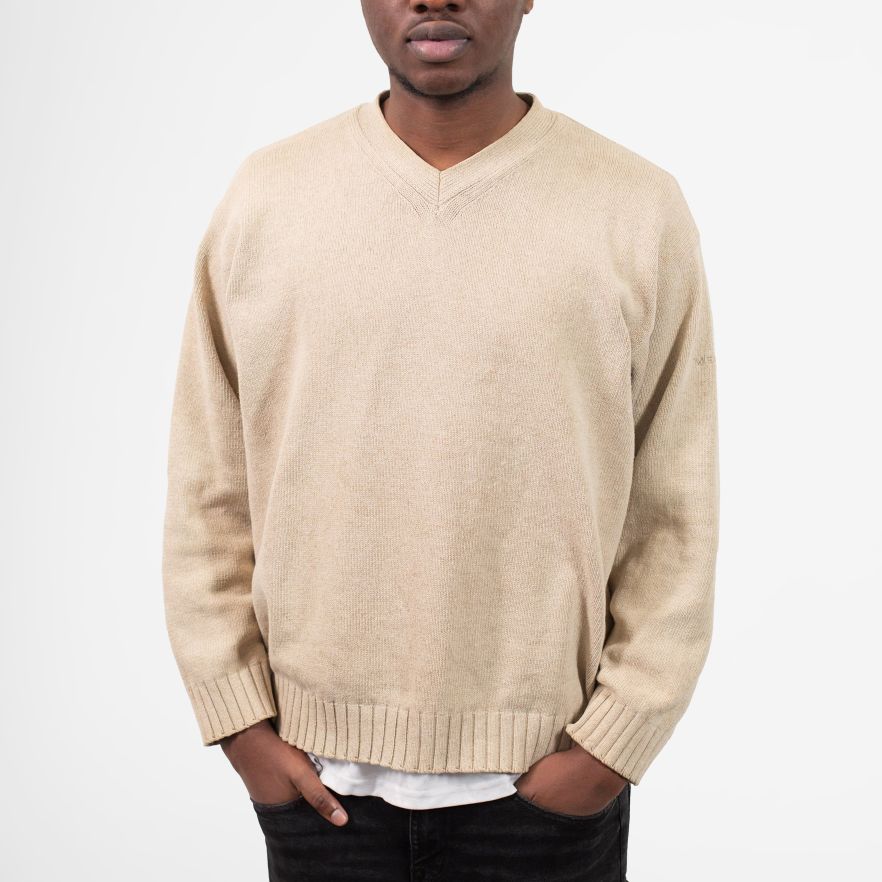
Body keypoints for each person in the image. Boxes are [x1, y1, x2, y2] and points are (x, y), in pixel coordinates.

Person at [161, 1, 720, 878]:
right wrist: (240, 725)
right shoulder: (267, 198)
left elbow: (674, 505)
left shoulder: (635, 208)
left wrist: (612, 745)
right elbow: (209, 484)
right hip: (317, 788)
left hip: (545, 791)